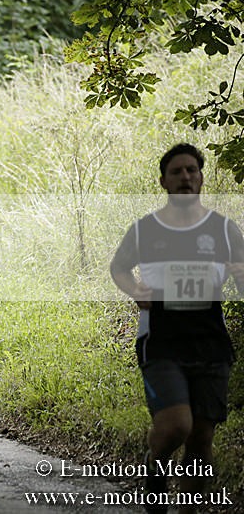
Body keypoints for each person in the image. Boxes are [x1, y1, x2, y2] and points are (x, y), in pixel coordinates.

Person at [110, 143, 244, 513]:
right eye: (177, 172)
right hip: (162, 341)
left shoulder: (223, 229)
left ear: (202, 178)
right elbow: (119, 268)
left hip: (211, 344)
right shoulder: (144, 230)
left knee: (201, 440)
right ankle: (155, 471)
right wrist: (135, 289)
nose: (185, 177)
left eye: (192, 171)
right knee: (175, 428)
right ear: (163, 182)